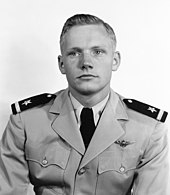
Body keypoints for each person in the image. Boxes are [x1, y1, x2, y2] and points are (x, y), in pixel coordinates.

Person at [0, 14, 169, 195]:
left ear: (115, 60)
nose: (86, 63)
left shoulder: (149, 128)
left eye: (97, 52)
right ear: (61, 63)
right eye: (74, 53)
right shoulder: (25, 122)